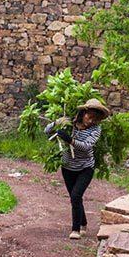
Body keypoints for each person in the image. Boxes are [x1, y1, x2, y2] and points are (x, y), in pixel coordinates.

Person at [44, 98, 110, 239]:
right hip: (68, 166)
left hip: (85, 167)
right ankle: (83, 223)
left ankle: (75, 230)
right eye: (89, 117)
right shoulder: (70, 124)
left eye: (95, 119)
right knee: (75, 198)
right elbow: (47, 131)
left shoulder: (96, 129)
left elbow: (86, 146)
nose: (91, 121)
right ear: (83, 113)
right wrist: (57, 123)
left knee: (76, 195)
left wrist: (70, 140)